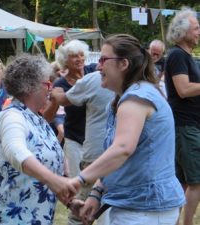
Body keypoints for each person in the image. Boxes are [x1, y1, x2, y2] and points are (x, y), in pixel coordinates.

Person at [66, 34, 185, 225]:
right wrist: (96, 193)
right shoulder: (125, 99)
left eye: (104, 60)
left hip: (145, 210)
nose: (98, 66)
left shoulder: (136, 99)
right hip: (138, 207)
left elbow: (122, 149)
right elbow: (118, 157)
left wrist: (79, 180)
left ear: (123, 64)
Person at [0, 54, 76, 225]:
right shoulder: (12, 117)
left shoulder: (37, 119)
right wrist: (54, 181)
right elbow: (16, 151)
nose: (50, 89)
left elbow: (45, 168)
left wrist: (69, 199)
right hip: (5, 217)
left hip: (34, 216)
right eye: (47, 84)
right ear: (30, 87)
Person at [51, 70, 114, 225]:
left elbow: (62, 99)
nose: (98, 65)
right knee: (91, 210)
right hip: (90, 147)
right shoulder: (138, 85)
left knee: (85, 212)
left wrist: (55, 94)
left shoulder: (91, 78)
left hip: (98, 153)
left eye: (103, 59)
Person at [164, 8, 200, 225]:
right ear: (183, 31)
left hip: (187, 125)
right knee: (196, 181)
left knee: (183, 183)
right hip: (185, 126)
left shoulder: (186, 56)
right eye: (196, 28)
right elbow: (183, 89)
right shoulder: (177, 55)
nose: (199, 32)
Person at [43, 40, 97, 179]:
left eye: (81, 55)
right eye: (74, 56)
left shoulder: (94, 72)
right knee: (78, 182)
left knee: (100, 183)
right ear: (65, 60)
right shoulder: (60, 84)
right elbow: (48, 117)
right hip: (75, 139)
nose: (79, 59)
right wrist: (55, 99)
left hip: (97, 137)